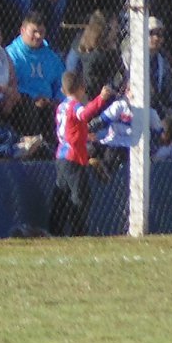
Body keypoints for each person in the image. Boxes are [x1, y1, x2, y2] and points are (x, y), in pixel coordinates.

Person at [49, 66, 116, 236]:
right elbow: (84, 114)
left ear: (63, 90)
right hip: (73, 157)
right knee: (81, 195)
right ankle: (78, 230)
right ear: (82, 88)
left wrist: (85, 135)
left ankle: (55, 229)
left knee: (62, 194)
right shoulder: (74, 105)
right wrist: (100, 99)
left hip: (62, 155)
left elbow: (70, 128)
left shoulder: (62, 106)